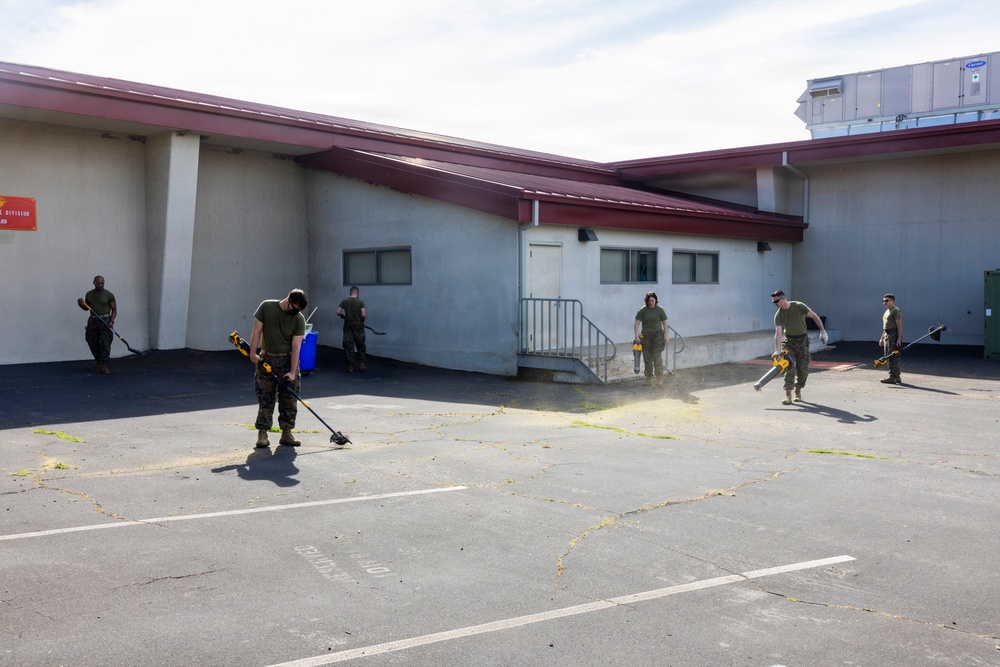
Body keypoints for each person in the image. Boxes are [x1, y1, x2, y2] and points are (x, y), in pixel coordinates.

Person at [249, 288, 308, 448]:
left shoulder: (299, 319)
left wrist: (292, 371)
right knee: (265, 398)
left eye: (299, 310)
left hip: (287, 360)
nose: (295, 312)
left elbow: (296, 347)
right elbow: (256, 332)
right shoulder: (266, 307)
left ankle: (286, 434)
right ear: (288, 301)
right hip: (266, 359)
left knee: (289, 400)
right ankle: (262, 434)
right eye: (294, 308)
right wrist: (253, 354)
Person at [771, 290, 828, 405]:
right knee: (789, 366)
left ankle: (798, 389)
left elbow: (815, 316)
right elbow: (778, 334)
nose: (775, 303)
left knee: (803, 370)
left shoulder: (799, 306)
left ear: (783, 299)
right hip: (789, 342)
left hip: (802, 341)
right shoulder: (779, 315)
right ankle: (788, 395)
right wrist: (777, 350)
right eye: (773, 302)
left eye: (776, 301)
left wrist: (823, 331)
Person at [76, 275, 116, 375]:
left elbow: (114, 310)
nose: (100, 285)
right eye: (98, 283)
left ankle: (105, 364)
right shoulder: (89, 294)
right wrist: (81, 304)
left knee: (105, 343)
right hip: (93, 320)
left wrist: (111, 321)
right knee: (92, 342)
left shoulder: (109, 295)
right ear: (94, 283)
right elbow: (87, 308)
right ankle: (99, 362)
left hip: (105, 320)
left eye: (102, 283)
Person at [633, 291, 669, 386]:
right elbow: (636, 323)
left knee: (657, 356)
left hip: (658, 336)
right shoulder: (643, 310)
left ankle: (659, 379)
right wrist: (637, 336)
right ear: (646, 301)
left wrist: (666, 336)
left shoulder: (660, 310)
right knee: (647, 357)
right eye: (649, 301)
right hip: (646, 336)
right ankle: (648, 379)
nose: (651, 303)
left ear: (656, 300)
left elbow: (665, 324)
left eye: (653, 300)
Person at [336, 286, 367, 372]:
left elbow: (337, 312)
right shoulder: (360, 302)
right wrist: (362, 321)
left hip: (348, 325)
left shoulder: (345, 301)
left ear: (350, 292)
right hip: (358, 325)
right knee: (360, 345)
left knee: (348, 345)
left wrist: (342, 316)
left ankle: (350, 366)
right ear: (357, 293)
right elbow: (363, 315)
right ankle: (362, 364)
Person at [878, 293, 903, 384]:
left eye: (887, 300)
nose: (884, 302)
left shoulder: (896, 310)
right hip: (887, 334)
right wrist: (882, 338)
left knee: (891, 356)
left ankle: (893, 376)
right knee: (888, 355)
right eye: (883, 301)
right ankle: (896, 376)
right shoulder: (887, 311)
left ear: (893, 301)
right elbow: (885, 327)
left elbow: (899, 325)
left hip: (893, 334)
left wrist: (899, 338)